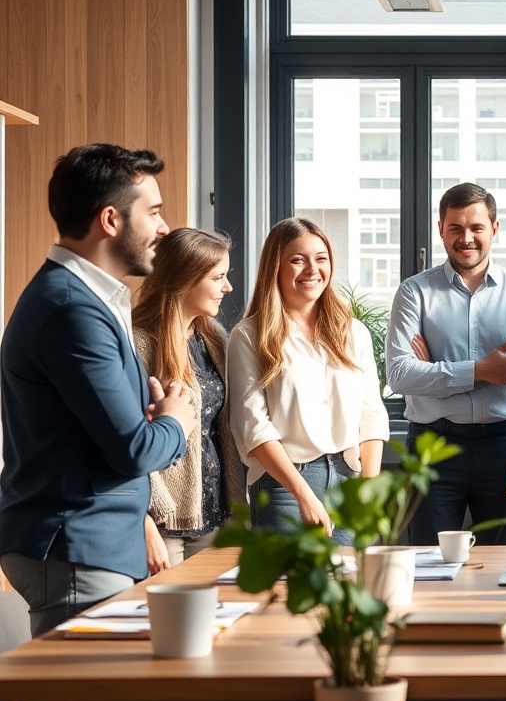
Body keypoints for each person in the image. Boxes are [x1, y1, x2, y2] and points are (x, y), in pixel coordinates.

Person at [0, 143, 195, 638]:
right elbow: (134, 449)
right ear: (111, 219)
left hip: (89, 546)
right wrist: (176, 421)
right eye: (152, 212)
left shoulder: (87, 299)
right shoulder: (72, 308)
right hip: (77, 548)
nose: (164, 227)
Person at [227, 218, 389, 546]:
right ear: (275, 266)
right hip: (284, 486)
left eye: (321, 258)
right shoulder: (248, 336)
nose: (312, 269)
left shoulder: (352, 331)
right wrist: (302, 494)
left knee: (349, 591)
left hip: (349, 478)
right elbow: (254, 428)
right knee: (288, 593)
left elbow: (371, 415)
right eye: (298, 259)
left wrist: (366, 491)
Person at [386, 183, 506, 546]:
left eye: (476, 227)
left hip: (505, 448)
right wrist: (481, 371)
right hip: (432, 448)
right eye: (456, 228)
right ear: (440, 229)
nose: (466, 238)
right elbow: (400, 373)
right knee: (428, 566)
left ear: (494, 229)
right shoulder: (414, 292)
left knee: (503, 568)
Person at [132, 228, 247, 572]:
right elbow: (124, 439)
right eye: (219, 277)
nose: (228, 287)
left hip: (214, 514)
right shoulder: (138, 344)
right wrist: (146, 520)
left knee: (214, 622)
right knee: (165, 624)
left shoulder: (215, 341)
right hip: (163, 521)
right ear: (184, 280)